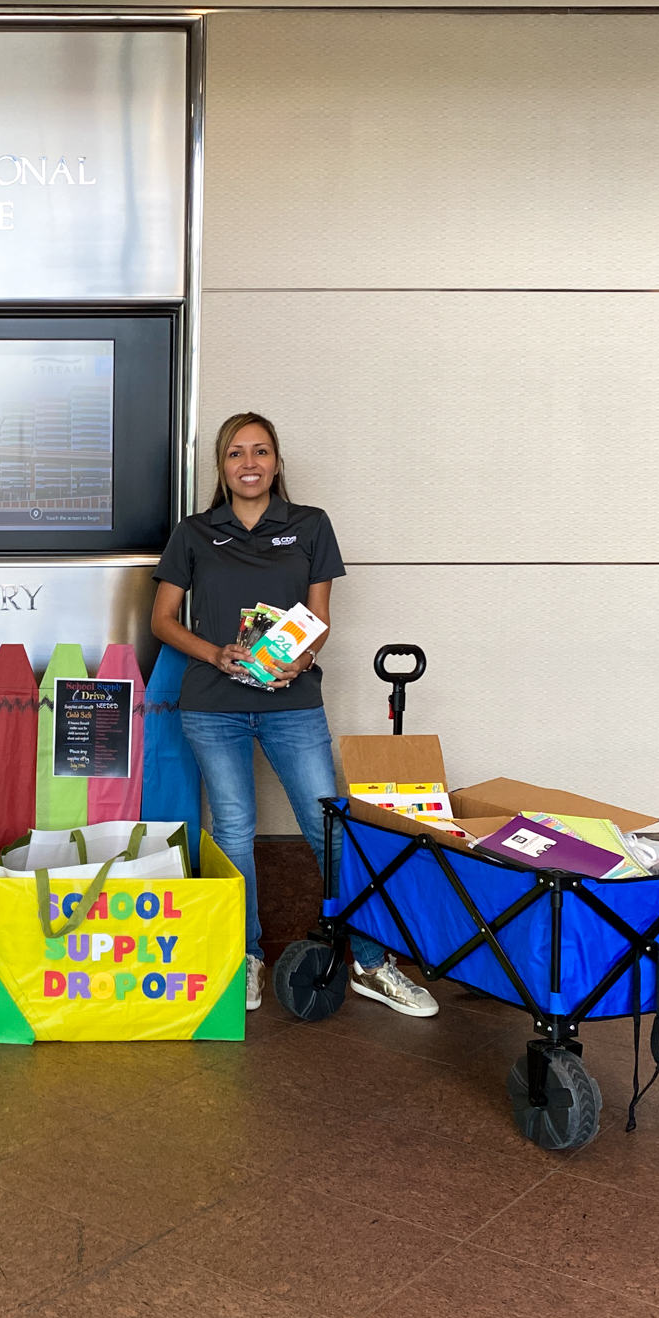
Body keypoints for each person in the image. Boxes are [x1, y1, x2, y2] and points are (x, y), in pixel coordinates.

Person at [150, 412, 437, 1019]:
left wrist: (301, 657)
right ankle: (247, 956)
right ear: (221, 467)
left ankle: (370, 961)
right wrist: (216, 654)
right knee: (232, 830)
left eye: (260, 452)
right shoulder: (195, 533)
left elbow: (320, 616)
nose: (248, 463)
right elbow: (162, 620)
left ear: (277, 462)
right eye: (235, 454)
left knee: (326, 829)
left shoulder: (310, 525)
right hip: (213, 703)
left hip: (290, 702)